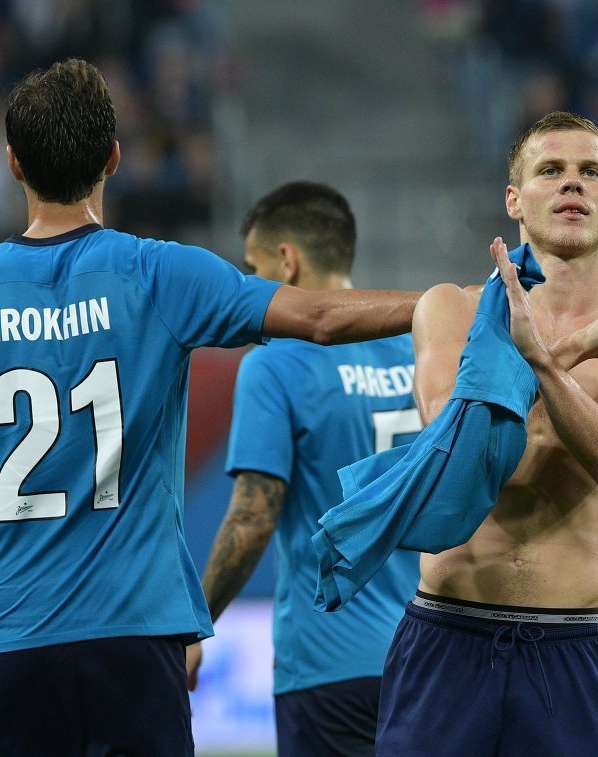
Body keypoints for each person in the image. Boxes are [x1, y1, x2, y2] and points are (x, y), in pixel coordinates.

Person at [0, 59, 419, 756]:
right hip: (136, 633)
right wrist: (452, 300)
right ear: (114, 157)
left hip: (7, 635)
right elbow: (319, 316)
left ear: (13, 164)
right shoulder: (161, 272)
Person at [374, 111, 598, 756]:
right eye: (551, 170)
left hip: (568, 652)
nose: (572, 183)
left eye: (591, 172)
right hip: (447, 637)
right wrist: (567, 355)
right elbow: (454, 447)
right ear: (514, 200)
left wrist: (544, 363)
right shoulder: (450, 308)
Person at [185, 181, 422, 755]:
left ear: (287, 262)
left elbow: (252, 519)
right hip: (428, 658)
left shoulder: (275, 363)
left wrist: (194, 624)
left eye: (254, 268)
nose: (250, 285)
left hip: (327, 662)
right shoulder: (421, 352)